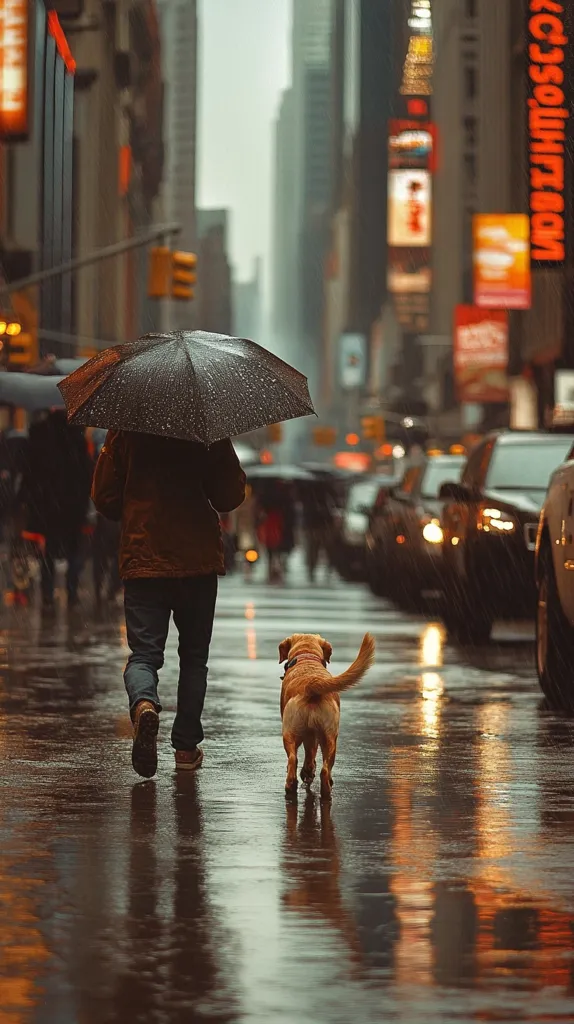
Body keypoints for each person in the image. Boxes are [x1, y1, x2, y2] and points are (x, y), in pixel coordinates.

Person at [91, 430, 246, 778]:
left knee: (144, 655)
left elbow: (104, 498)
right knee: (194, 658)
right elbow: (230, 495)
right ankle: (186, 748)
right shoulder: (206, 428)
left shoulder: (124, 429)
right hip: (197, 562)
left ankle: (144, 702)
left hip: (144, 557)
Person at [18, 411, 93, 607]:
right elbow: (86, 473)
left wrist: (25, 498)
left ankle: (47, 594)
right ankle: (71, 591)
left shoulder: (40, 434)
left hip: (47, 504)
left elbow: (29, 470)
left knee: (48, 552)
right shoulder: (77, 435)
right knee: (74, 550)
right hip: (72, 504)